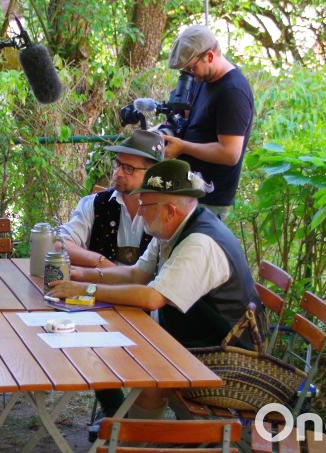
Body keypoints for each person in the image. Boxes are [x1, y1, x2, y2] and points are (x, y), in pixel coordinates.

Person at [47, 159, 263, 423]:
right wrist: (82, 275)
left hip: (226, 359)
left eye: (144, 205)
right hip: (191, 340)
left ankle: (128, 435)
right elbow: (136, 274)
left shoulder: (200, 243)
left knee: (139, 367)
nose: (139, 212)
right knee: (100, 336)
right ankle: (126, 429)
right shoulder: (171, 228)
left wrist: (85, 289)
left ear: (170, 210)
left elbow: (151, 297)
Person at [161, 24, 255, 219]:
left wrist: (183, 147)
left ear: (210, 56)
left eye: (191, 67)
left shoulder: (233, 92)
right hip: (187, 191)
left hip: (209, 202)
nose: (189, 73)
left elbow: (230, 153)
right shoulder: (203, 79)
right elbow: (189, 120)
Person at [57, 130, 164, 268]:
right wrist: (102, 263)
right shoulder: (95, 204)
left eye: (128, 168)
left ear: (152, 173)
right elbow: (60, 243)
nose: (117, 173)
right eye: (118, 164)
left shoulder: (166, 212)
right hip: (100, 288)